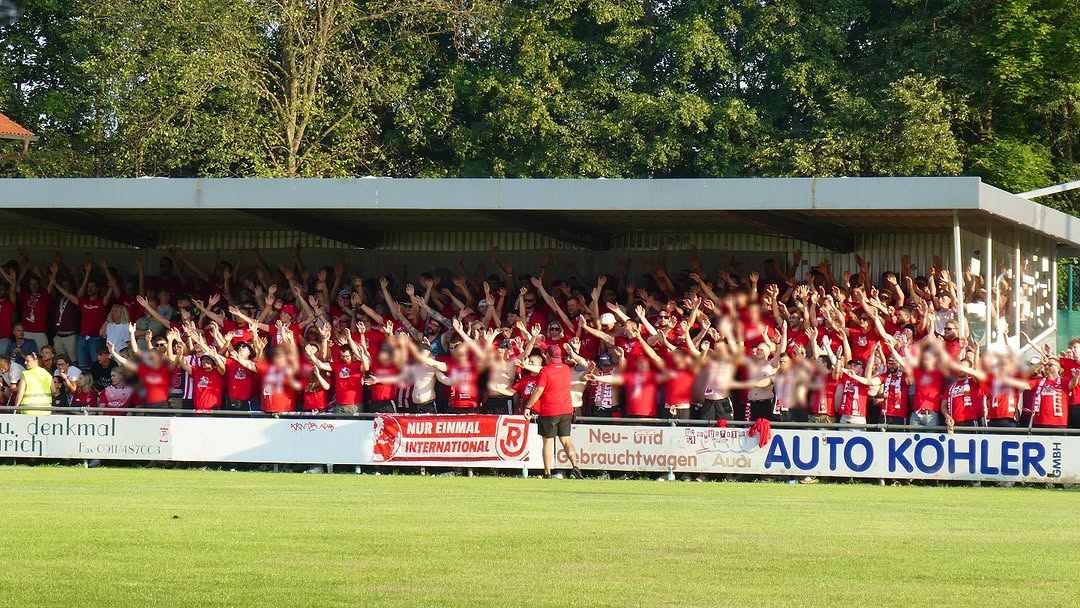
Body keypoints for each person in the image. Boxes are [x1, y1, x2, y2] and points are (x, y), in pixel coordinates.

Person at [523, 345, 583, 479]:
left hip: (549, 410)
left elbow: (538, 390)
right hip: (566, 410)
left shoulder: (545, 371)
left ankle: (547, 473)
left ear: (548, 356)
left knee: (548, 443)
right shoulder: (566, 369)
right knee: (567, 441)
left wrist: (528, 406)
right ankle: (575, 467)